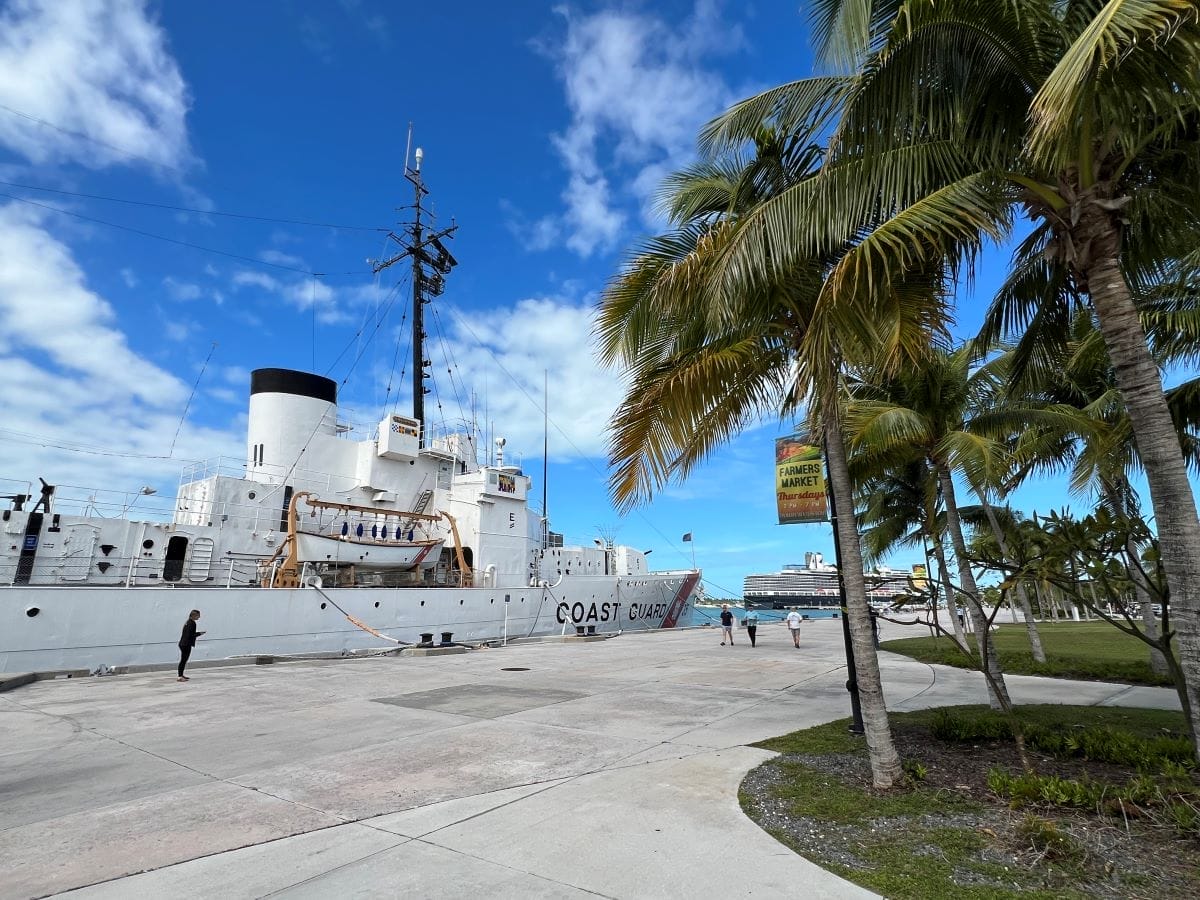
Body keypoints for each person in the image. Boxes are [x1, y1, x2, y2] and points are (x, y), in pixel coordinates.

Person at [177, 609, 205, 682]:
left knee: (184, 660)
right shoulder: (192, 623)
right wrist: (199, 633)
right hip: (186, 644)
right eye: (198, 615)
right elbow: (190, 635)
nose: (199, 617)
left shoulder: (188, 622)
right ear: (194, 615)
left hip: (183, 643)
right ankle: (180, 676)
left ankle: (181, 675)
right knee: (183, 660)